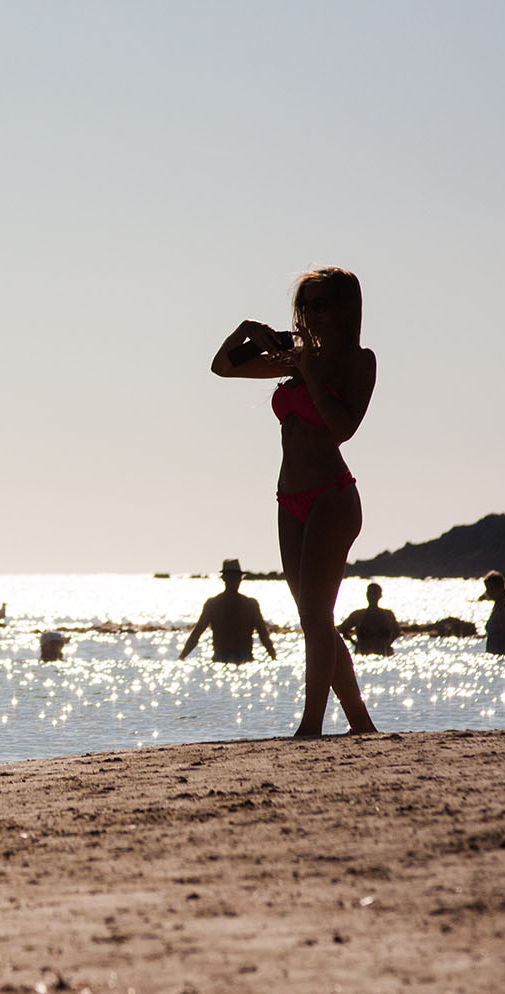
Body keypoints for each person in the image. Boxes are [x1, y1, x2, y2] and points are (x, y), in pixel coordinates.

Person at [211, 266, 378, 737]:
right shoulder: (296, 355)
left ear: (347, 307)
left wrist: (308, 372)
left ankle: (310, 726)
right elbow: (224, 367)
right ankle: (361, 724)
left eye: (322, 303)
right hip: (290, 498)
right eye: (306, 305)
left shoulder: (357, 361)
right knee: (315, 618)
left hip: (333, 496)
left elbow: (343, 428)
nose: (312, 314)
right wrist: (247, 332)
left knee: (314, 617)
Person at [179, 559, 277, 664]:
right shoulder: (214, 605)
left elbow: (263, 635)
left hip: (236, 659)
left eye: (235, 578)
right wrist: (182, 657)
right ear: (225, 579)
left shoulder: (249, 605)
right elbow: (197, 633)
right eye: (231, 578)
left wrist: (273, 657)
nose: (234, 582)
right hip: (229, 659)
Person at [339, 582, 400, 655]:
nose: (372, 597)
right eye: (370, 594)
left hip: (384, 654)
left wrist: (388, 643)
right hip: (363, 654)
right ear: (367, 595)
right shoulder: (358, 615)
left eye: (374, 594)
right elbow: (343, 629)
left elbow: (397, 631)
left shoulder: (388, 615)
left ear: (380, 596)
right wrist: (355, 644)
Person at [480, 570, 505, 655]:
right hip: (493, 655)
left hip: (502, 655)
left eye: (491, 589)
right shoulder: (496, 609)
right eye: (487, 589)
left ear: (500, 589)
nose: (488, 592)